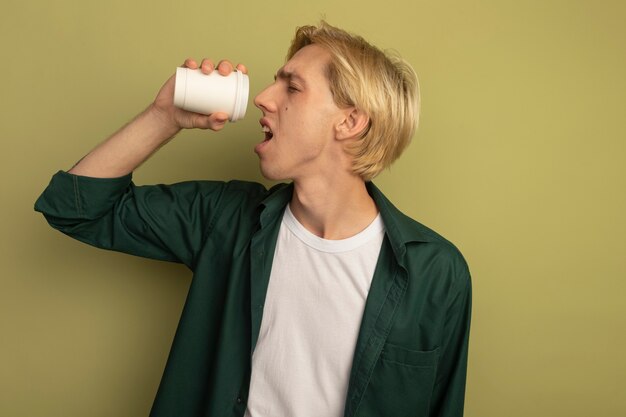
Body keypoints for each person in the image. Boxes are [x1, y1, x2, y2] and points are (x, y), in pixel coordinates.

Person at [35, 21, 471, 417]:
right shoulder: (224, 219)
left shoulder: (436, 273)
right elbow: (74, 208)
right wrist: (164, 115)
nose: (263, 97)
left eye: (292, 87)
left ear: (350, 121)